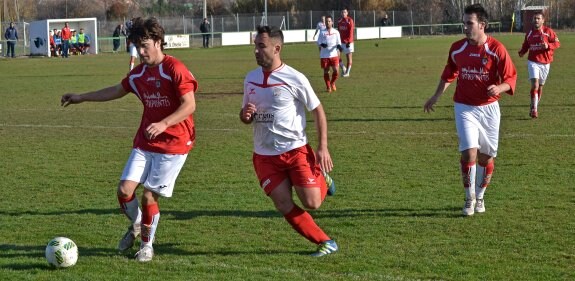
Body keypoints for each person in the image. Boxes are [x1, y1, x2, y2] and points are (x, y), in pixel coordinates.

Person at [60, 17, 198, 262]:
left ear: (158, 41)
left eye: (145, 45)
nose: (141, 51)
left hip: (175, 143)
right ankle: (137, 226)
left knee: (148, 197)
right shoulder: (139, 75)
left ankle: (147, 246)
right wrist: (81, 97)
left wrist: (164, 122)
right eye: (137, 46)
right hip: (146, 141)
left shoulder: (175, 69)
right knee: (124, 190)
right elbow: (115, 90)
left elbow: (190, 105)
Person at [240, 25, 338, 257]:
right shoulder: (250, 79)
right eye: (255, 45)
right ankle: (326, 242)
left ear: (277, 48)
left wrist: (322, 147)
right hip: (264, 156)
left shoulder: (295, 78)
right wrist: (245, 116)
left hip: (295, 152)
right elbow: (245, 114)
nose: (256, 50)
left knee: (312, 203)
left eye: (261, 46)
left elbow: (317, 110)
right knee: (283, 204)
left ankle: (321, 176)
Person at [423, 4, 517, 216]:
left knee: (486, 158)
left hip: (489, 109)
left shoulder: (497, 49)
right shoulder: (457, 48)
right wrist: (436, 96)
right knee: (469, 152)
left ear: (482, 25)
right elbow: (450, 73)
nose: (465, 27)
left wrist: (499, 87)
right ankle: (469, 198)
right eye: (464, 23)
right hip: (464, 107)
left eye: (469, 23)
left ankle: (480, 195)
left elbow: (511, 77)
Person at [518, 11, 560, 119]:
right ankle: (534, 109)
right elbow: (526, 45)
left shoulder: (548, 32)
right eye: (534, 18)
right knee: (535, 85)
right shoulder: (529, 33)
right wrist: (522, 52)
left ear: (543, 20)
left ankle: (534, 105)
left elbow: (557, 43)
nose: (536, 20)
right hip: (533, 61)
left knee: (540, 86)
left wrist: (548, 45)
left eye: (538, 18)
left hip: (546, 63)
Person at [317, 16, 343, 93]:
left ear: (332, 22)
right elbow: (318, 42)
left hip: (334, 54)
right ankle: (328, 87)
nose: (328, 23)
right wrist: (322, 44)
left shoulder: (336, 32)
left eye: (329, 21)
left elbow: (339, 42)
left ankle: (332, 83)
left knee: (336, 71)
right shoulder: (322, 32)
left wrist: (339, 46)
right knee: (326, 71)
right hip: (324, 55)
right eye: (327, 21)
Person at [337, 8, 355, 77]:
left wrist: (349, 42)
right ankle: (343, 68)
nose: (343, 13)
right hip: (341, 42)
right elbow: (338, 32)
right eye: (342, 12)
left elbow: (351, 32)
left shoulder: (350, 20)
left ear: (347, 13)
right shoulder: (339, 21)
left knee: (349, 57)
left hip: (348, 43)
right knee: (336, 55)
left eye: (345, 12)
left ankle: (347, 72)